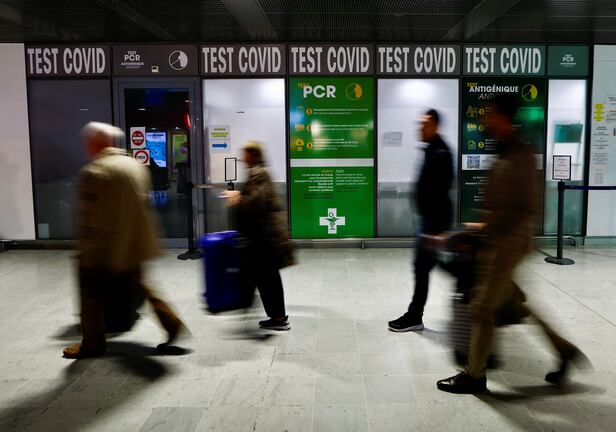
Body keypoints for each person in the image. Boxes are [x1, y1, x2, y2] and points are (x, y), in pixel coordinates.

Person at [437, 94, 585, 393]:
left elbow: (525, 208)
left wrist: (485, 227)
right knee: (514, 305)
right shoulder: (506, 151)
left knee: (482, 307)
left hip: (507, 245)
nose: (484, 119)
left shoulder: (521, 155)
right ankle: (564, 349)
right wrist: (482, 227)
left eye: (489, 114)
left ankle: (474, 375)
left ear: (503, 117)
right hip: (499, 241)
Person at [63, 122, 186, 359]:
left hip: (105, 248)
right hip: (135, 243)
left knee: (89, 295)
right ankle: (172, 323)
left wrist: (84, 249)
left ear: (94, 143)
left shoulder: (95, 171)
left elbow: (89, 217)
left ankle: (92, 344)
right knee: (141, 287)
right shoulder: (134, 165)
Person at [388, 109, 454, 332]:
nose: (420, 128)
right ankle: (415, 314)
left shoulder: (442, 153)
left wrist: (434, 230)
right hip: (428, 220)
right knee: (424, 266)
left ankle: (415, 316)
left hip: (433, 222)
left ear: (435, 126)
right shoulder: (431, 149)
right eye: (420, 124)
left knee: (423, 266)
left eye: (425, 124)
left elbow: (441, 192)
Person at [222, 141, 294, 330]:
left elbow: (257, 203)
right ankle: (276, 316)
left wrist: (237, 197)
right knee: (265, 276)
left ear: (253, 155)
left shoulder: (258, 173)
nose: (242, 157)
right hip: (261, 236)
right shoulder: (257, 172)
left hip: (263, 237)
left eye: (245, 153)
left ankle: (278, 318)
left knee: (267, 278)